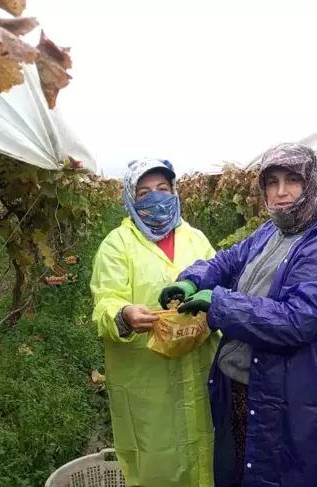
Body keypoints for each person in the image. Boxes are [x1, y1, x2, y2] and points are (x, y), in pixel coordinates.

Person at [159, 143, 317, 487]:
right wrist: (192, 280)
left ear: (313, 183)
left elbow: (296, 321)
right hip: (250, 387)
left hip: (296, 396)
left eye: (292, 180)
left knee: (290, 473)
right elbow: (229, 261)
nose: (281, 192)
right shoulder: (272, 231)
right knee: (245, 470)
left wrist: (220, 304)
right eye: (272, 182)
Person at [90, 157, 219, 487]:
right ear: (131, 198)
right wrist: (124, 315)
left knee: (207, 451)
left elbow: (220, 280)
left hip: (198, 363)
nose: (156, 199)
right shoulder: (116, 246)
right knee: (156, 458)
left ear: (175, 192)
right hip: (146, 377)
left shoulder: (196, 239)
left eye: (163, 189)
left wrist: (214, 302)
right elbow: (107, 300)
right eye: (145, 192)